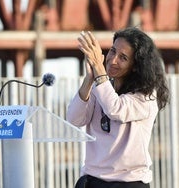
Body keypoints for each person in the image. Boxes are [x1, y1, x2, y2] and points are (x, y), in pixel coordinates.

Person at [66, 27, 170, 188]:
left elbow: (116, 109)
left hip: (128, 183)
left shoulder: (146, 96)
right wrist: (89, 80)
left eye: (123, 57)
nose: (113, 60)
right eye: (112, 51)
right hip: (92, 180)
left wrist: (99, 70)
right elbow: (74, 119)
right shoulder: (101, 88)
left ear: (135, 66)